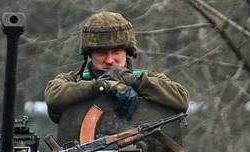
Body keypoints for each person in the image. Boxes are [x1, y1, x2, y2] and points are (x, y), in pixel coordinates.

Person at [44, 11, 190, 124]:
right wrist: (102, 86)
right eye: (101, 53)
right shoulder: (75, 80)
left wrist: (130, 80)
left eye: (116, 52)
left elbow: (181, 99)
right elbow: (53, 96)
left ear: (127, 52)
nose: (109, 60)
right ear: (89, 55)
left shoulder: (147, 79)